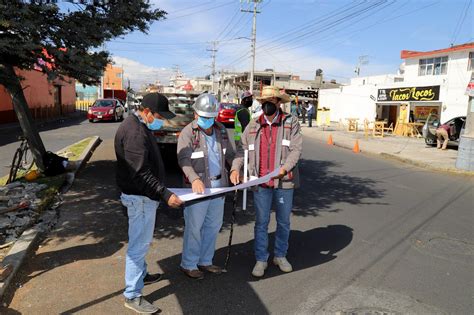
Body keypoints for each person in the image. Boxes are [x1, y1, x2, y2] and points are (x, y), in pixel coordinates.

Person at [115, 92, 183, 314]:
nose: (162, 120)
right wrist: (165, 194)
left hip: (141, 197)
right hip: (140, 198)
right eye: (159, 115)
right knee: (139, 245)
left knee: (140, 241)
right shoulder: (134, 132)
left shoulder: (138, 124)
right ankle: (132, 295)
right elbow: (142, 173)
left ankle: (141, 274)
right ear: (146, 111)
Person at [230, 85, 302, 278]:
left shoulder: (290, 122)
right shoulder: (253, 126)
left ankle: (280, 255)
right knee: (261, 223)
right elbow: (240, 151)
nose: (267, 105)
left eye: (271, 101)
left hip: (283, 183)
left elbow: (296, 150)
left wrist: (285, 168)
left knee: (283, 222)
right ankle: (261, 259)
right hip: (260, 184)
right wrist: (235, 168)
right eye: (264, 102)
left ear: (278, 103)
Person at [177, 93, 235, 279]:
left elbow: (232, 155)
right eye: (203, 117)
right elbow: (183, 159)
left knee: (213, 226)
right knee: (194, 227)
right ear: (195, 114)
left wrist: (235, 169)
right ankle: (189, 264)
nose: (207, 121)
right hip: (198, 188)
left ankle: (205, 261)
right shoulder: (188, 132)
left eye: (210, 117)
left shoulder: (221, 131)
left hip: (219, 187)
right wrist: (194, 178)